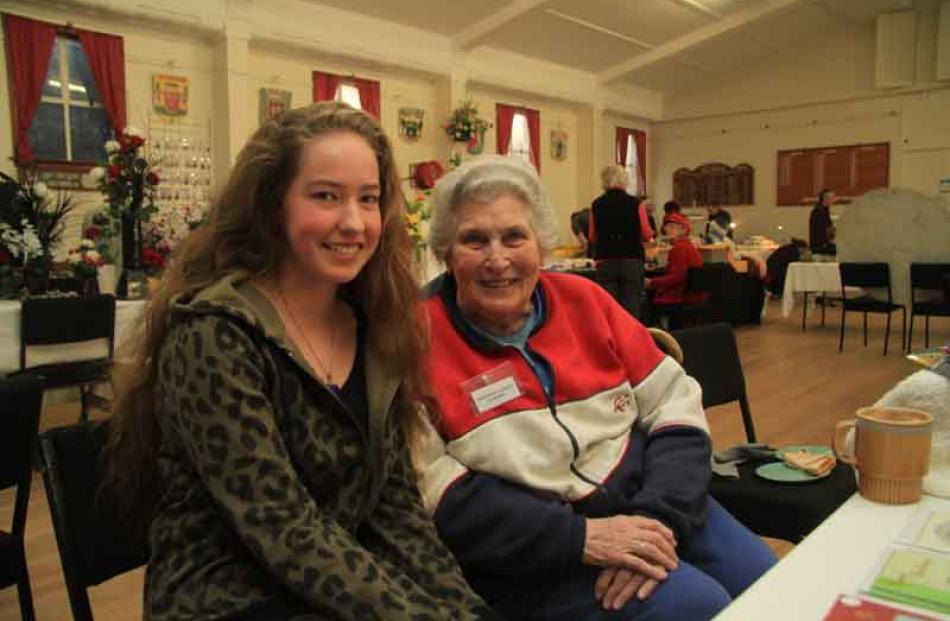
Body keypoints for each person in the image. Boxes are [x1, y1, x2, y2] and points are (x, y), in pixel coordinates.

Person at [105, 103, 495, 620]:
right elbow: (282, 528)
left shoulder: (373, 325)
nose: (353, 222)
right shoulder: (214, 333)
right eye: (325, 196)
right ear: (272, 204)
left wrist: (465, 610)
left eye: (368, 199)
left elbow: (397, 509)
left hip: (334, 582)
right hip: (226, 597)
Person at [418, 155, 776, 621]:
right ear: (445, 252)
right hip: (536, 546)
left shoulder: (583, 300)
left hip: (651, 498)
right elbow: (433, 487)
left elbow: (675, 402)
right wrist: (583, 539)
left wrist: (659, 517)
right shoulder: (414, 338)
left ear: (542, 246)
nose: (498, 258)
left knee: (767, 583)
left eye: (514, 237)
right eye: (474, 240)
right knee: (694, 605)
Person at [588, 165, 654, 317]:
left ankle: (611, 339)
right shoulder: (636, 203)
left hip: (605, 260)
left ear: (604, 181)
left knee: (608, 308)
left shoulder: (596, 204)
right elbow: (646, 234)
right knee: (631, 308)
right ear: (624, 181)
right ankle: (630, 339)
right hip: (631, 259)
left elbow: (592, 236)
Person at [647, 212, 706, 309]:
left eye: (672, 226)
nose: (667, 230)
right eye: (667, 226)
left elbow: (676, 278)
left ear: (683, 229)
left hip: (681, 296)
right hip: (691, 293)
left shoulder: (679, 248)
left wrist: (651, 282)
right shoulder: (687, 245)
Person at [809, 189, 837, 255]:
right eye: (832, 198)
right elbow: (822, 232)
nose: (834, 200)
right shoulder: (819, 212)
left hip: (823, 245)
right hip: (820, 247)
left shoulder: (824, 210)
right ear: (825, 199)